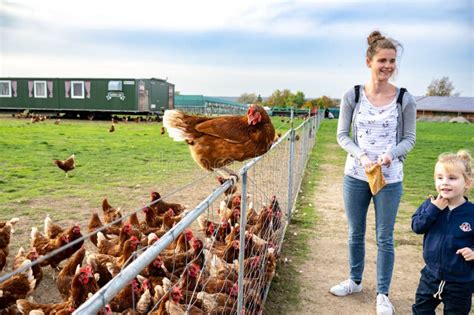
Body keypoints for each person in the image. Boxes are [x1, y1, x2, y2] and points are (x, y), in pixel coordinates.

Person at [331, 30, 417, 315]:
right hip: (356, 175)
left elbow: (409, 139)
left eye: (392, 61)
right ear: (369, 61)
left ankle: (382, 294)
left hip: (389, 179)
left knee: (384, 237)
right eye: (382, 60)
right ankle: (355, 281)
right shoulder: (353, 95)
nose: (388, 66)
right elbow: (342, 136)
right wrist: (362, 156)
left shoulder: (404, 98)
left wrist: (392, 153)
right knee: (355, 232)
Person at [411, 150, 474, 314]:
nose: (444, 182)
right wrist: (433, 210)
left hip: (460, 282)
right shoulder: (430, 205)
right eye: (440, 178)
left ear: (467, 183)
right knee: (420, 310)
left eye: (452, 178)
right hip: (430, 275)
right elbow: (417, 226)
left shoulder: (471, 213)